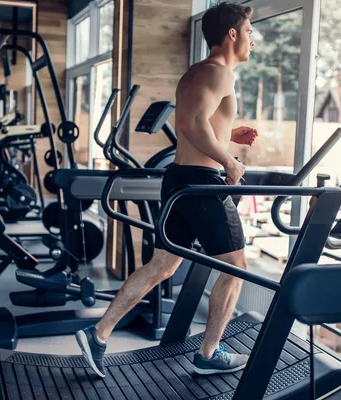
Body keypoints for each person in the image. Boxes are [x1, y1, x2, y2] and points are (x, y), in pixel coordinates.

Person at [76, 1, 258, 377]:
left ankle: (98, 334)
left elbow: (200, 123)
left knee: (162, 263)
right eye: (250, 33)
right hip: (202, 185)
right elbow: (192, 125)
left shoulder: (197, 72)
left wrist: (231, 135)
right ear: (232, 34)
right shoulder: (221, 74)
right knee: (237, 268)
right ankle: (209, 354)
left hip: (179, 177)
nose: (253, 41)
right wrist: (230, 162)